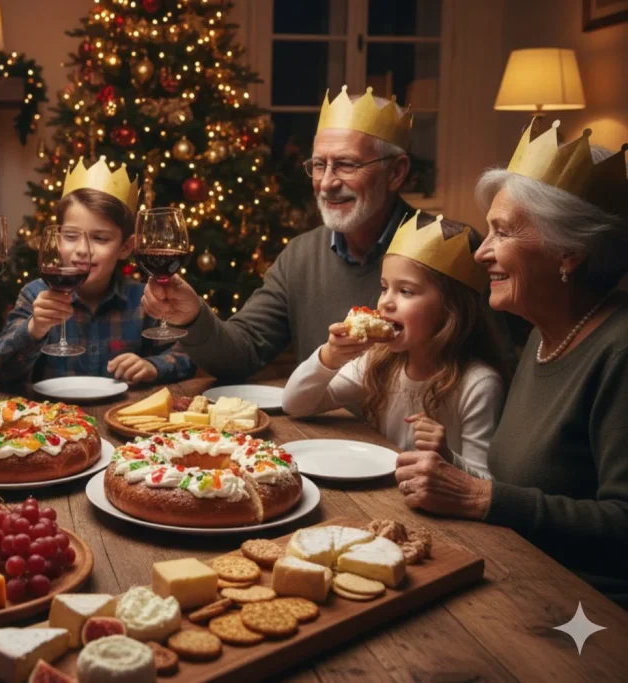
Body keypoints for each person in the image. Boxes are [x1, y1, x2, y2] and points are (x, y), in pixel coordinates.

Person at [393, 120, 628, 607]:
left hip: (588, 614)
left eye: (501, 232)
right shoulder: (545, 337)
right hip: (519, 572)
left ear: (570, 253)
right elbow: (528, 484)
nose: (481, 253)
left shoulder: (618, 352)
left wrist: (479, 497)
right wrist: (452, 469)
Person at [142, 86, 516, 379]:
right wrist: (193, 317)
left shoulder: (450, 247)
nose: (327, 183)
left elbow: (501, 366)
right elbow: (242, 354)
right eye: (319, 165)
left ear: (397, 173)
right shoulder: (301, 256)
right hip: (326, 450)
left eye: (347, 164)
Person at [282, 212, 507, 479]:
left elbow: (485, 483)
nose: (386, 303)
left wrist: (447, 456)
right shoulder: (378, 362)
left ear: (451, 309)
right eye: (384, 287)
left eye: (406, 291)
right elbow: (295, 404)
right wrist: (329, 356)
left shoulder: (478, 385)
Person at [0, 158, 195, 384]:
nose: (82, 250)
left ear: (126, 247)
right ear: (57, 240)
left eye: (100, 238)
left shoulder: (144, 300)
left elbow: (187, 356)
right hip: (53, 415)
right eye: (70, 236)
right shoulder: (35, 295)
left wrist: (153, 366)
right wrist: (34, 329)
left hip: (119, 414)